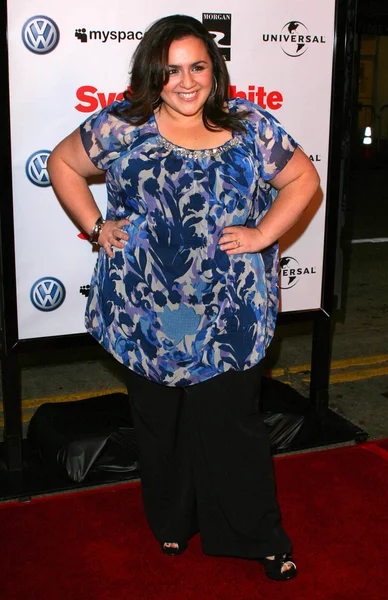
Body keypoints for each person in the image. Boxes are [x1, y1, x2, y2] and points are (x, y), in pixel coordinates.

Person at [48, 14, 319, 581]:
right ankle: (172, 523)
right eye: (171, 70)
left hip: (230, 314)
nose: (187, 81)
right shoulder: (123, 125)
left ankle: (257, 536)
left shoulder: (250, 127)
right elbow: (62, 165)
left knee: (233, 428)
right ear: (153, 73)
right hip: (144, 310)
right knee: (161, 426)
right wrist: (98, 227)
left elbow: (303, 182)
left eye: (197, 66)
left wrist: (264, 235)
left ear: (214, 70)